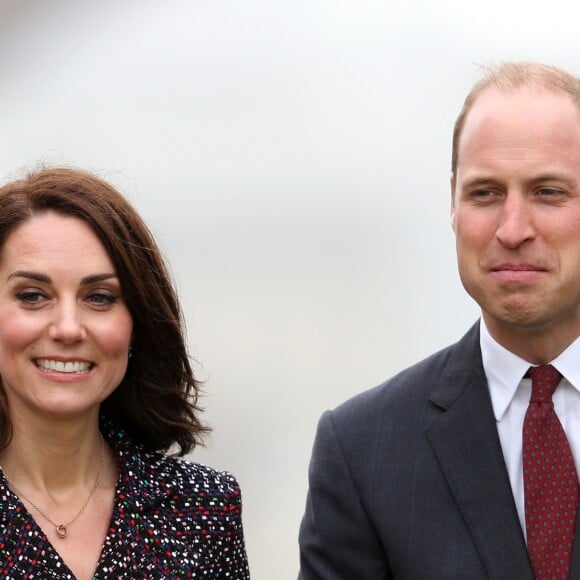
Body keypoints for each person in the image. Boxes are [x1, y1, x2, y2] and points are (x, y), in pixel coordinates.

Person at [298, 61, 580, 579]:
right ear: (452, 203)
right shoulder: (362, 451)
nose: (512, 229)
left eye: (548, 191)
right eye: (485, 193)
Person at [0, 167, 250, 578]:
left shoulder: (204, 508)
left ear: (137, 324)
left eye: (99, 297)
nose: (67, 328)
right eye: (32, 296)